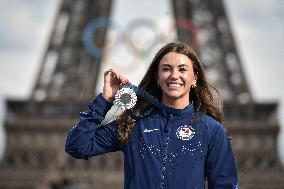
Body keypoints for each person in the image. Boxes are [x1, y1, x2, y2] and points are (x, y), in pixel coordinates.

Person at [65, 42, 238, 189]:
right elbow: (77, 146)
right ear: (157, 77)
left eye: (182, 69)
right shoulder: (133, 123)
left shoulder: (211, 130)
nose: (174, 75)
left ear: (194, 78)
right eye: (166, 69)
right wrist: (105, 100)